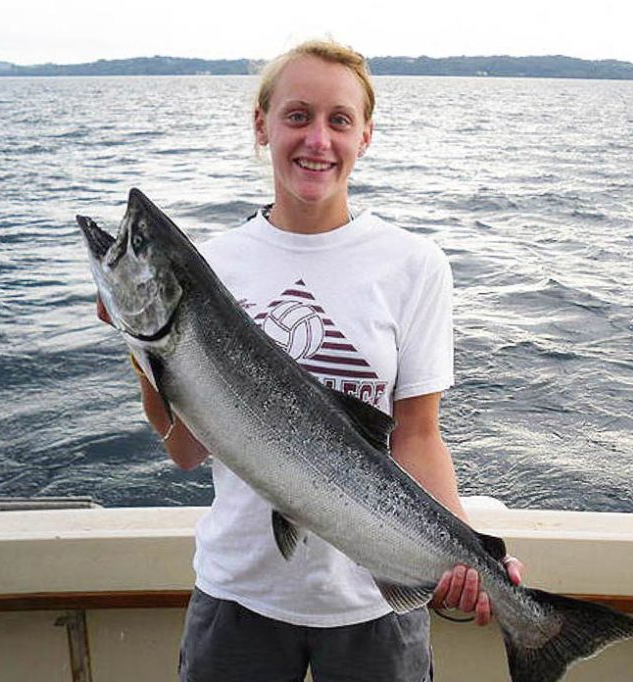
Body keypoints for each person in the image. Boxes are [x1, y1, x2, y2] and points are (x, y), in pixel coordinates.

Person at [102, 38, 523, 681]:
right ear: (261, 125)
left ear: (366, 136)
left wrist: (469, 554)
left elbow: (417, 436)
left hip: (374, 607)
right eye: (297, 116)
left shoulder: (414, 266)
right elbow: (187, 452)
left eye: (339, 120)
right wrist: (140, 342)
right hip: (239, 594)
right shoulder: (214, 265)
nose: (317, 140)